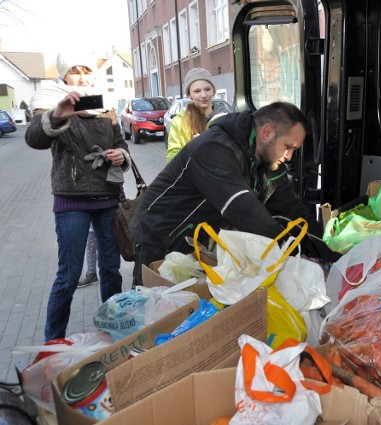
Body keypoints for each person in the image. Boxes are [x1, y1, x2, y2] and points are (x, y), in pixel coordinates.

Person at [130, 101, 340, 286]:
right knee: (158, 316)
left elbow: (292, 209)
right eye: (288, 147)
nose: (289, 157)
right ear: (267, 132)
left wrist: (329, 256)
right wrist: (295, 257)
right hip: (159, 240)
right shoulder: (213, 149)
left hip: (196, 245)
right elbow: (247, 212)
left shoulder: (264, 158)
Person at [26, 51, 130, 341]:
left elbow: (120, 141)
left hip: (107, 197)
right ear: (64, 75)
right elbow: (34, 138)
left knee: (110, 268)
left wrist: (120, 154)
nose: (83, 77)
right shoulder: (50, 102)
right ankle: (54, 339)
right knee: (69, 275)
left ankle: (112, 329)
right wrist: (58, 114)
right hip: (71, 201)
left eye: (87, 71)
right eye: (76, 71)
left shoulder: (104, 105)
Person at [166, 68, 218, 162]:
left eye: (207, 89)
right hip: (192, 175)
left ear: (213, 91)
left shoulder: (225, 118)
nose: (203, 95)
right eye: (197, 91)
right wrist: (191, 148)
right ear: (189, 95)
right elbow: (171, 158)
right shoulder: (180, 122)